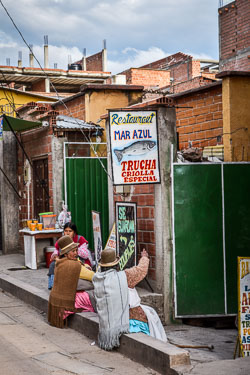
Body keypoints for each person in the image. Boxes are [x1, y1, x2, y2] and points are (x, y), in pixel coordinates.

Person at [92, 248, 167, 350]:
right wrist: (144, 257)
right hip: (128, 321)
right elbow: (141, 270)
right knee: (151, 314)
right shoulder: (124, 276)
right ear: (117, 264)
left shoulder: (97, 279)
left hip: (108, 326)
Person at [48, 235, 95, 328]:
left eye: (76, 250)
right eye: (73, 251)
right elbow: (93, 277)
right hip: (66, 304)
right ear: (65, 254)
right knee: (93, 292)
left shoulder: (60, 263)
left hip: (56, 304)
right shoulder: (74, 266)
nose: (76, 253)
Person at [48, 222, 93, 289]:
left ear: (74, 232)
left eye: (70, 231)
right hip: (66, 260)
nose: (68, 233)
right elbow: (57, 250)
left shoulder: (80, 239)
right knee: (53, 265)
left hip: (79, 260)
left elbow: (85, 255)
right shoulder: (62, 241)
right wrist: (55, 255)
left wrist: (74, 249)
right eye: (66, 231)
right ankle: (53, 286)